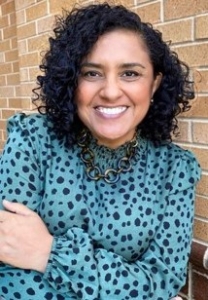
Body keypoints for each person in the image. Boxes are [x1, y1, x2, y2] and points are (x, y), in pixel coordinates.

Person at [0, 3, 201, 300]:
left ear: (155, 83)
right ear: (71, 80)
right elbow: (10, 271)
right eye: (92, 73)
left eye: (130, 73)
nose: (109, 91)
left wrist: (48, 252)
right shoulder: (33, 141)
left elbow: (163, 281)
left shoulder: (175, 170)